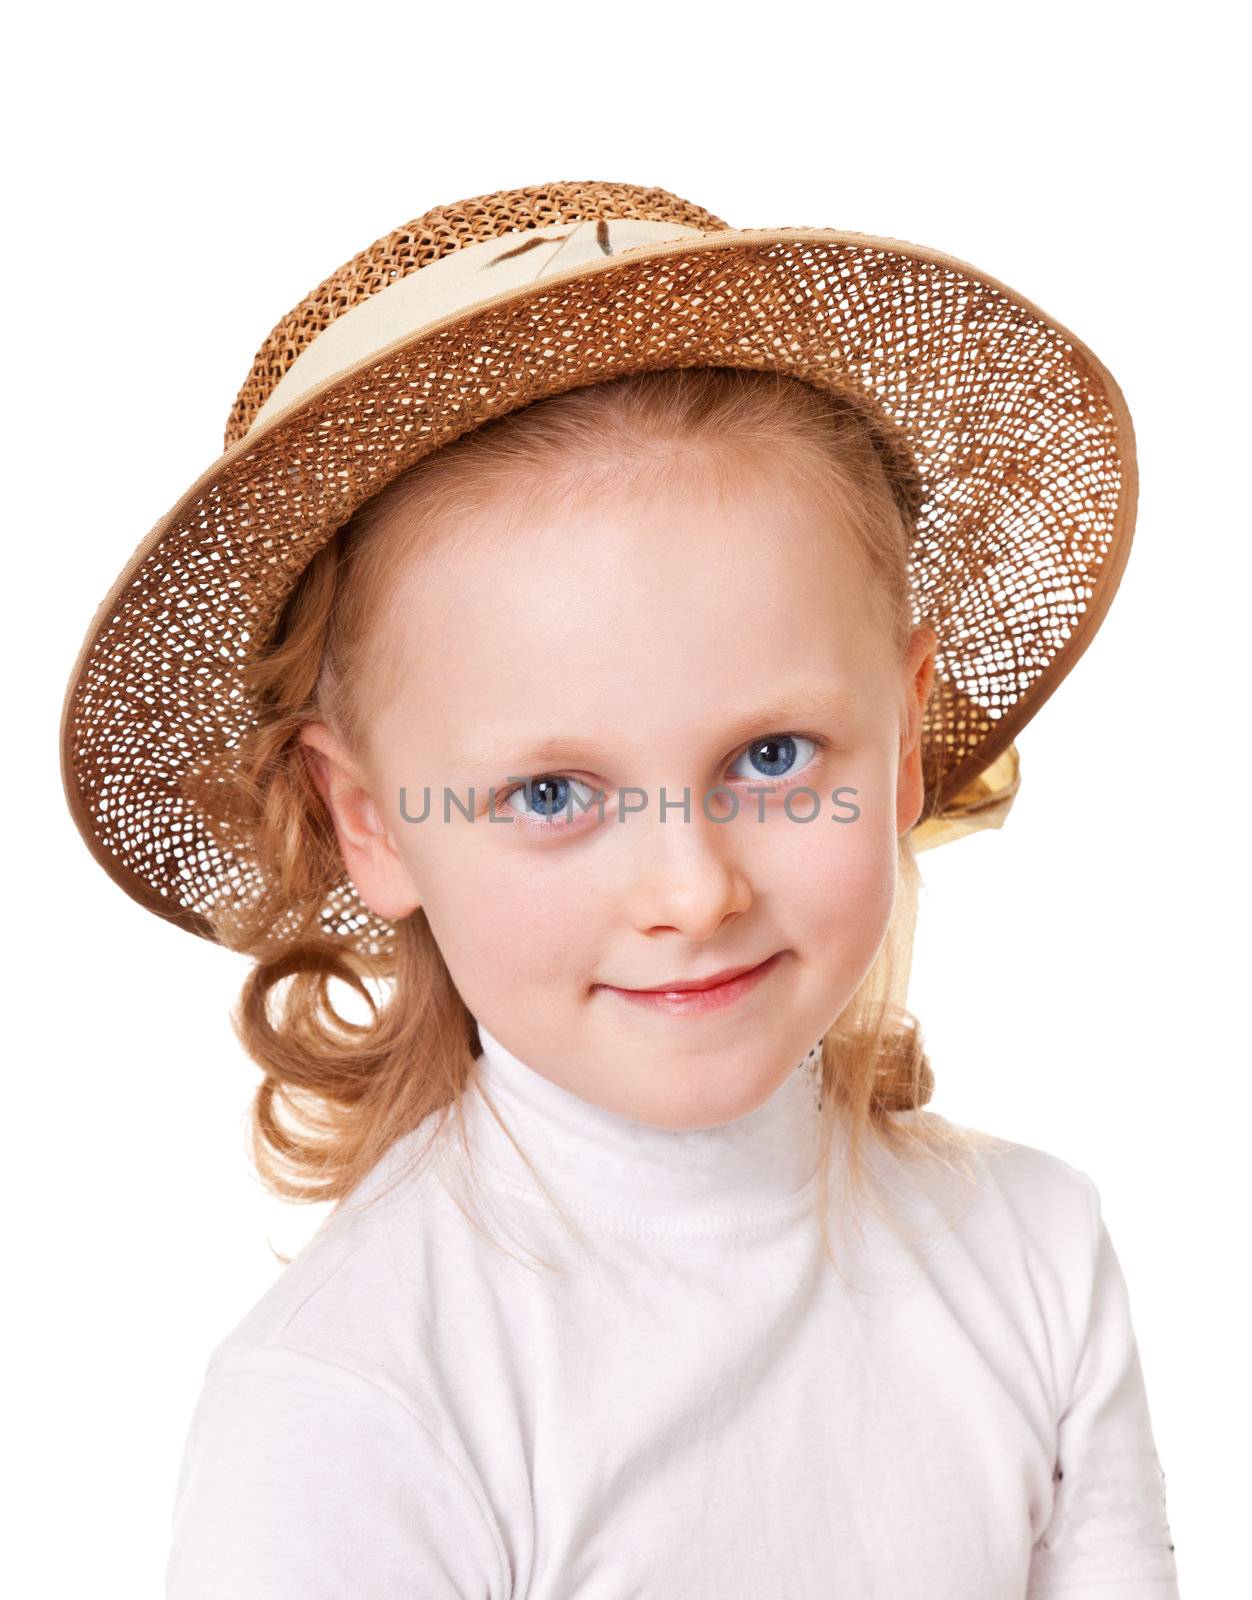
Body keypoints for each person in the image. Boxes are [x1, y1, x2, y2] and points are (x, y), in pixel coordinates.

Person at [60, 181, 1181, 1597]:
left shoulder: (1035, 1256)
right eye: (551, 794)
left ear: (904, 731)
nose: (692, 889)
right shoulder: (353, 1401)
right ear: (369, 820)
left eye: (773, 755)